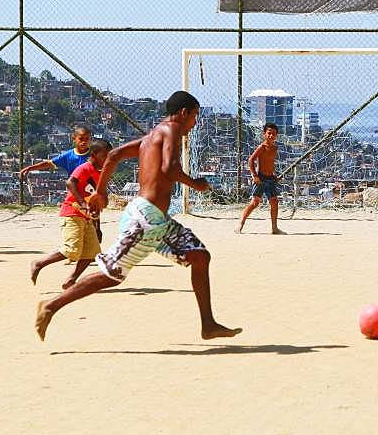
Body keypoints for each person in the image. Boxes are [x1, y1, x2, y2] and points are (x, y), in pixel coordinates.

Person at [34, 90, 241, 342]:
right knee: (111, 275)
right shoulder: (172, 129)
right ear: (183, 113)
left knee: (199, 257)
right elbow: (169, 167)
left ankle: (208, 325)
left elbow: (112, 156)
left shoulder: (151, 137)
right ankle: (51, 306)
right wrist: (195, 184)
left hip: (156, 220)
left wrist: (100, 193)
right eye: (195, 116)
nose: (195, 123)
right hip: (145, 219)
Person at [30, 141, 112, 289]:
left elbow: (100, 197)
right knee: (71, 250)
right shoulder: (85, 168)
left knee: (91, 253)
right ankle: (39, 263)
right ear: (93, 155)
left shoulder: (100, 174)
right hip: (72, 212)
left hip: (87, 217)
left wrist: (97, 223)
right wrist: (82, 203)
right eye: (104, 156)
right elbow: (70, 183)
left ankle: (71, 280)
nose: (107, 159)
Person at [20, 123, 104, 245]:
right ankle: (75, 248)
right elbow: (49, 163)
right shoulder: (68, 156)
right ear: (74, 138)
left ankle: (95, 241)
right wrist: (30, 168)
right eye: (81, 139)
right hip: (75, 193)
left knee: (94, 220)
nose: (84, 142)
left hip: (91, 192)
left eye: (87, 139)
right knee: (76, 220)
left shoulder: (93, 155)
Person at [237, 122, 285, 235]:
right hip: (260, 178)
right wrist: (254, 176)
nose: (271, 136)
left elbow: (271, 164)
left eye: (273, 134)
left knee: (274, 202)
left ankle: (274, 227)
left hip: (270, 179)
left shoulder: (275, 148)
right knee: (255, 203)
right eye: (269, 133)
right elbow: (251, 160)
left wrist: (274, 175)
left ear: (276, 135)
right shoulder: (262, 147)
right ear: (264, 134)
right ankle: (241, 224)